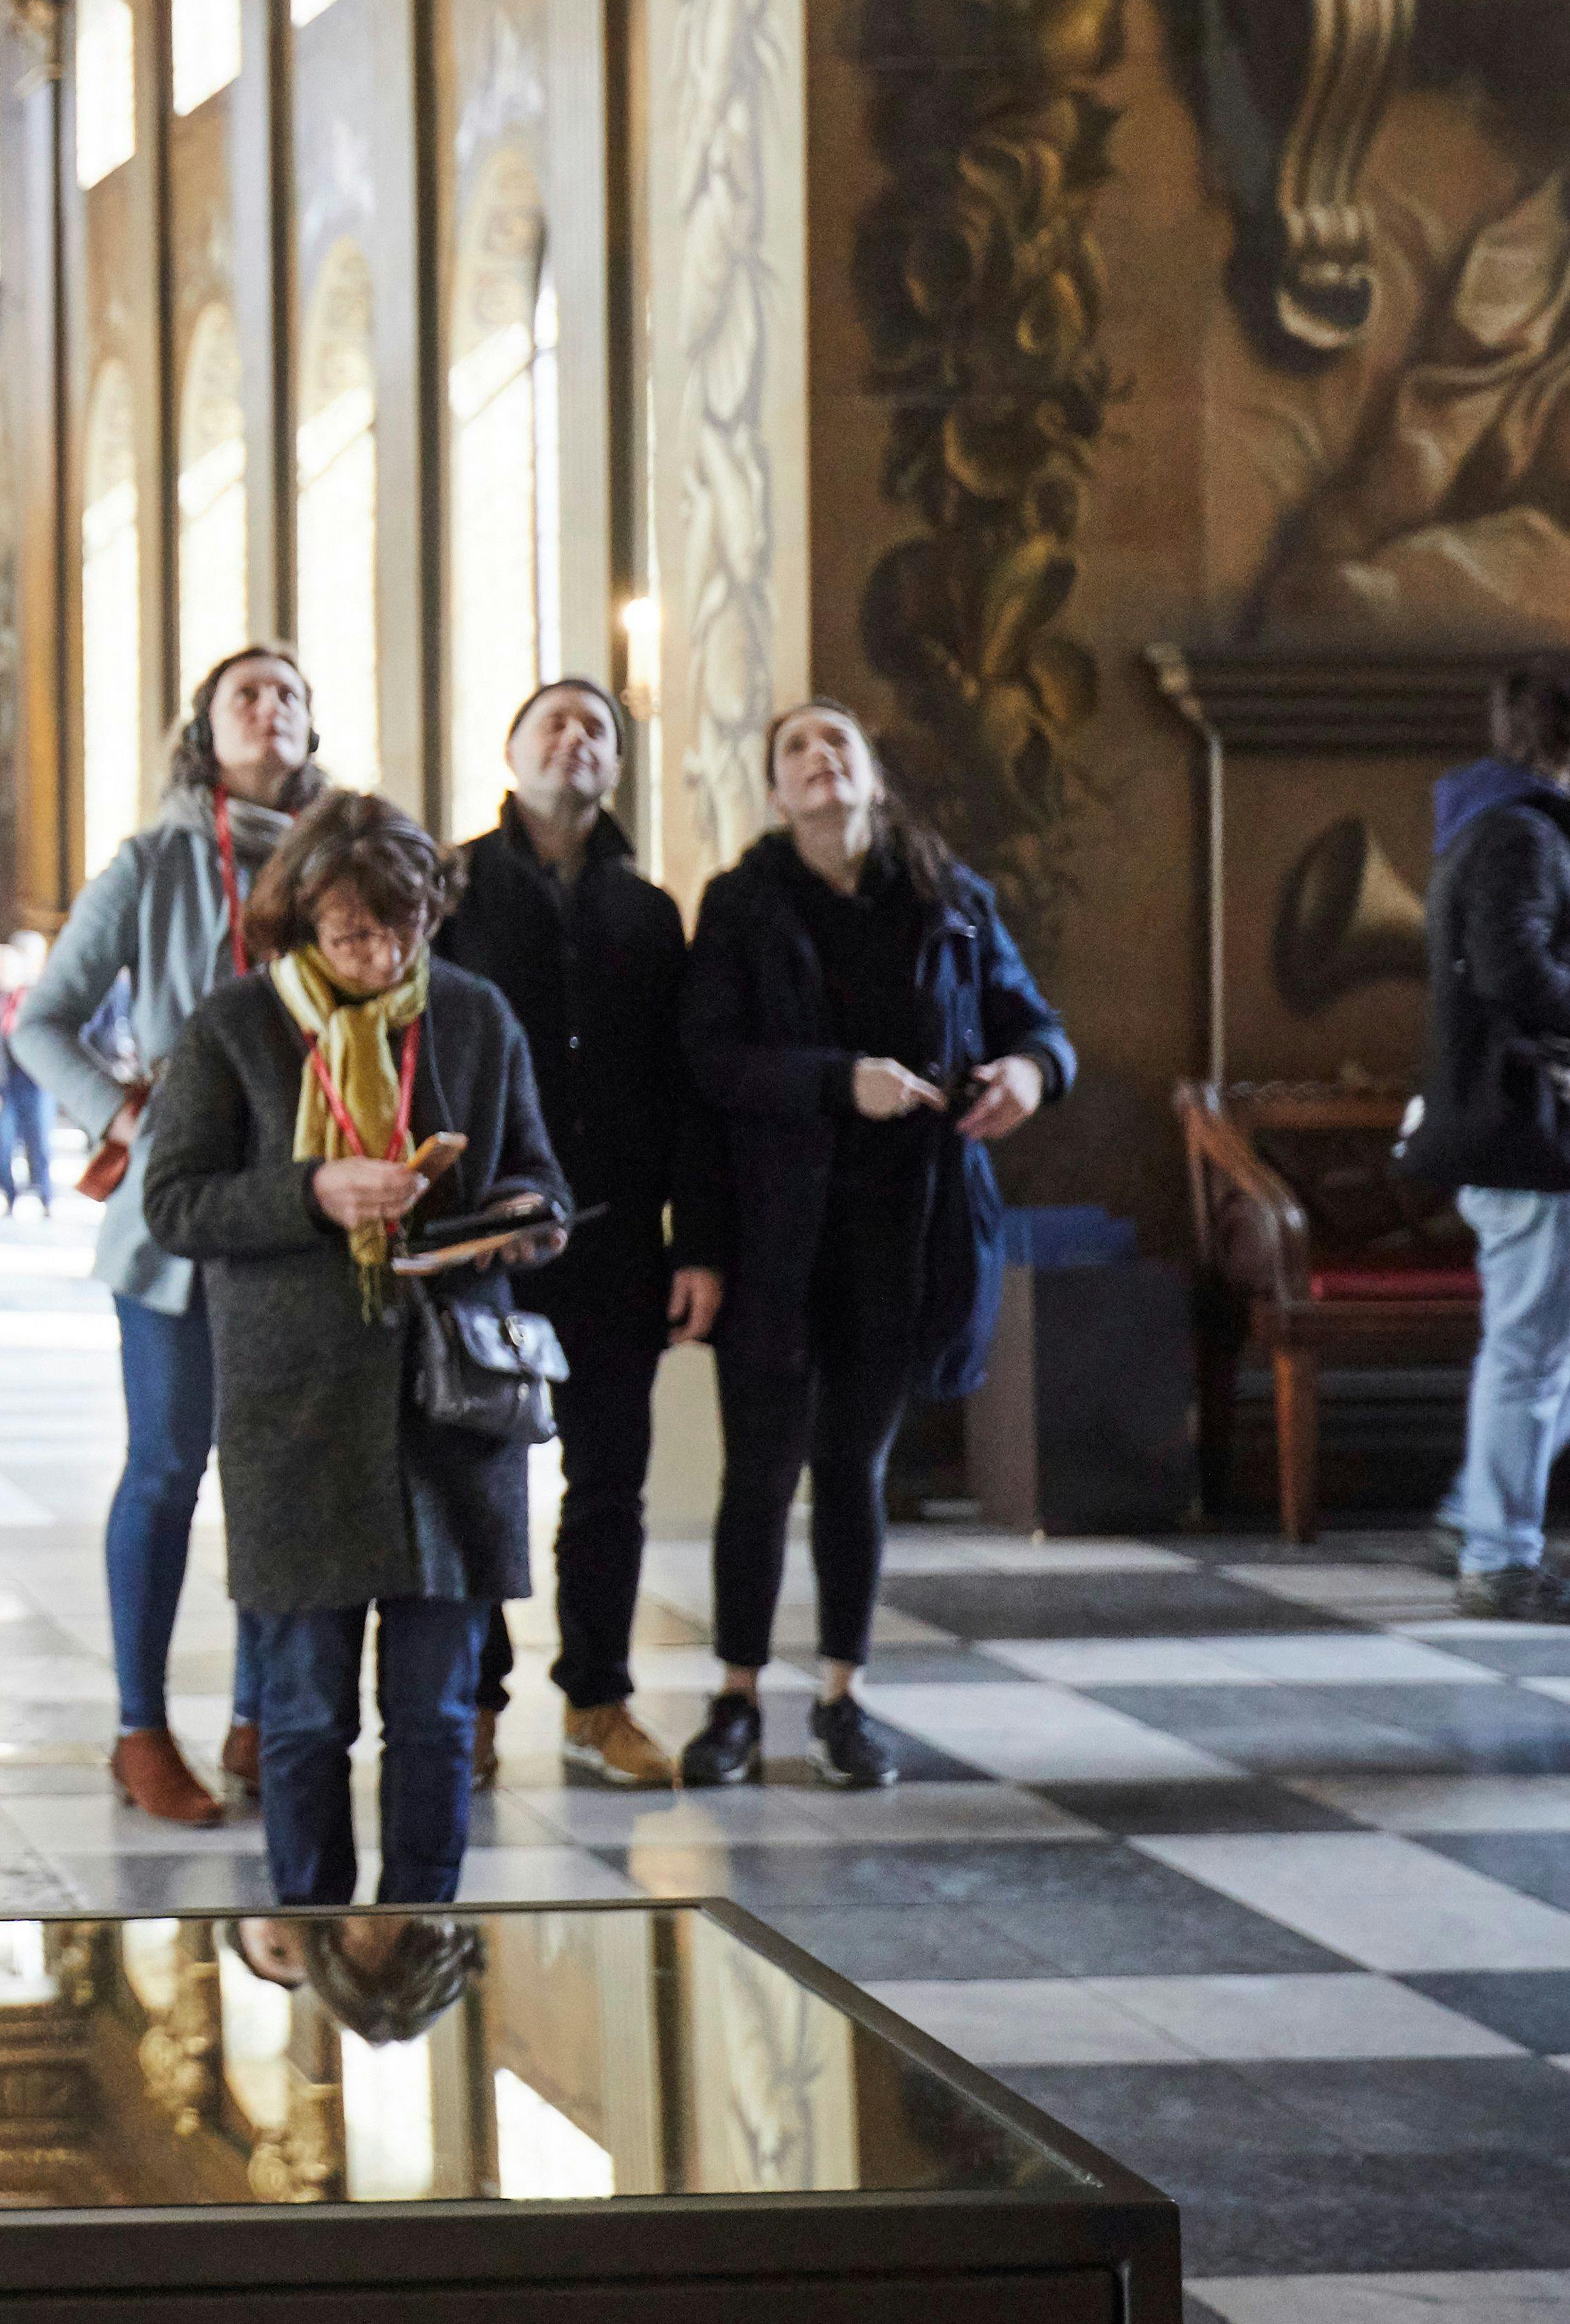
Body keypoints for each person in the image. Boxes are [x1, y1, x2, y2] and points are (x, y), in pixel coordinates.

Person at [138, 791, 568, 1910]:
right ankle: (315, 1924)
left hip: (450, 1407)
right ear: (302, 920)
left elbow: (537, 1170)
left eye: (404, 928)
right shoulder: (235, 1023)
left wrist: (528, 1215)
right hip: (296, 1407)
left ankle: (419, 1931)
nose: (382, 956)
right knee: (302, 1713)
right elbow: (174, 1203)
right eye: (353, 935)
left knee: (436, 1714)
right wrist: (312, 1189)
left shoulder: (471, 1013)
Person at [679, 701, 1073, 1788]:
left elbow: (1035, 1025)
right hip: (776, 1227)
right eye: (795, 749)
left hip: (907, 1228)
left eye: (838, 743)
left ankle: (842, 1696)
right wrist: (833, 1082)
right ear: (774, 792)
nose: (819, 758)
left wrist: (1028, 1072)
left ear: (871, 776)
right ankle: (734, 1696)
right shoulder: (741, 902)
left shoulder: (949, 896)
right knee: (758, 1471)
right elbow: (709, 1062)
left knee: (854, 1467)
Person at [14, 644, 330, 1826]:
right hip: (181, 1212)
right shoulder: (152, 860)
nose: (269, 707)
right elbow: (41, 1020)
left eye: (288, 693)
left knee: (278, 1472)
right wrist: (124, 1115)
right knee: (165, 1467)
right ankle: (139, 1729)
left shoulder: (338, 854)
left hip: (303, 1202)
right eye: (246, 693)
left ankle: (259, 1713)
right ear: (203, 728)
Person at [434, 679, 727, 1790]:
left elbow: (685, 1088)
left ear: (616, 761)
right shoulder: (454, 887)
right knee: (482, 1472)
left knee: (609, 1481)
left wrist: (696, 1242)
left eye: (595, 726)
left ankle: (596, 1699)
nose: (575, 738)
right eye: (552, 722)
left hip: (613, 1235)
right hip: (486, 1236)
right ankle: (472, 1702)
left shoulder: (645, 909)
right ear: (510, 753)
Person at [1400, 658, 1570, 1621]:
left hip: (1518, 1129)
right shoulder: (1520, 832)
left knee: (1541, 1348)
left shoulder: (1500, 821)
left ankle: (1476, 1515)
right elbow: (1516, 975)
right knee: (1528, 1352)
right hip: (1525, 1133)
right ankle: (1497, 1558)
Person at [0, 929, 58, 1220]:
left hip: (36, 1080)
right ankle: (9, 1195)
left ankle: (45, 1194)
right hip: (7, 1080)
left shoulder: (38, 997)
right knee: (4, 1142)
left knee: (40, 1141)